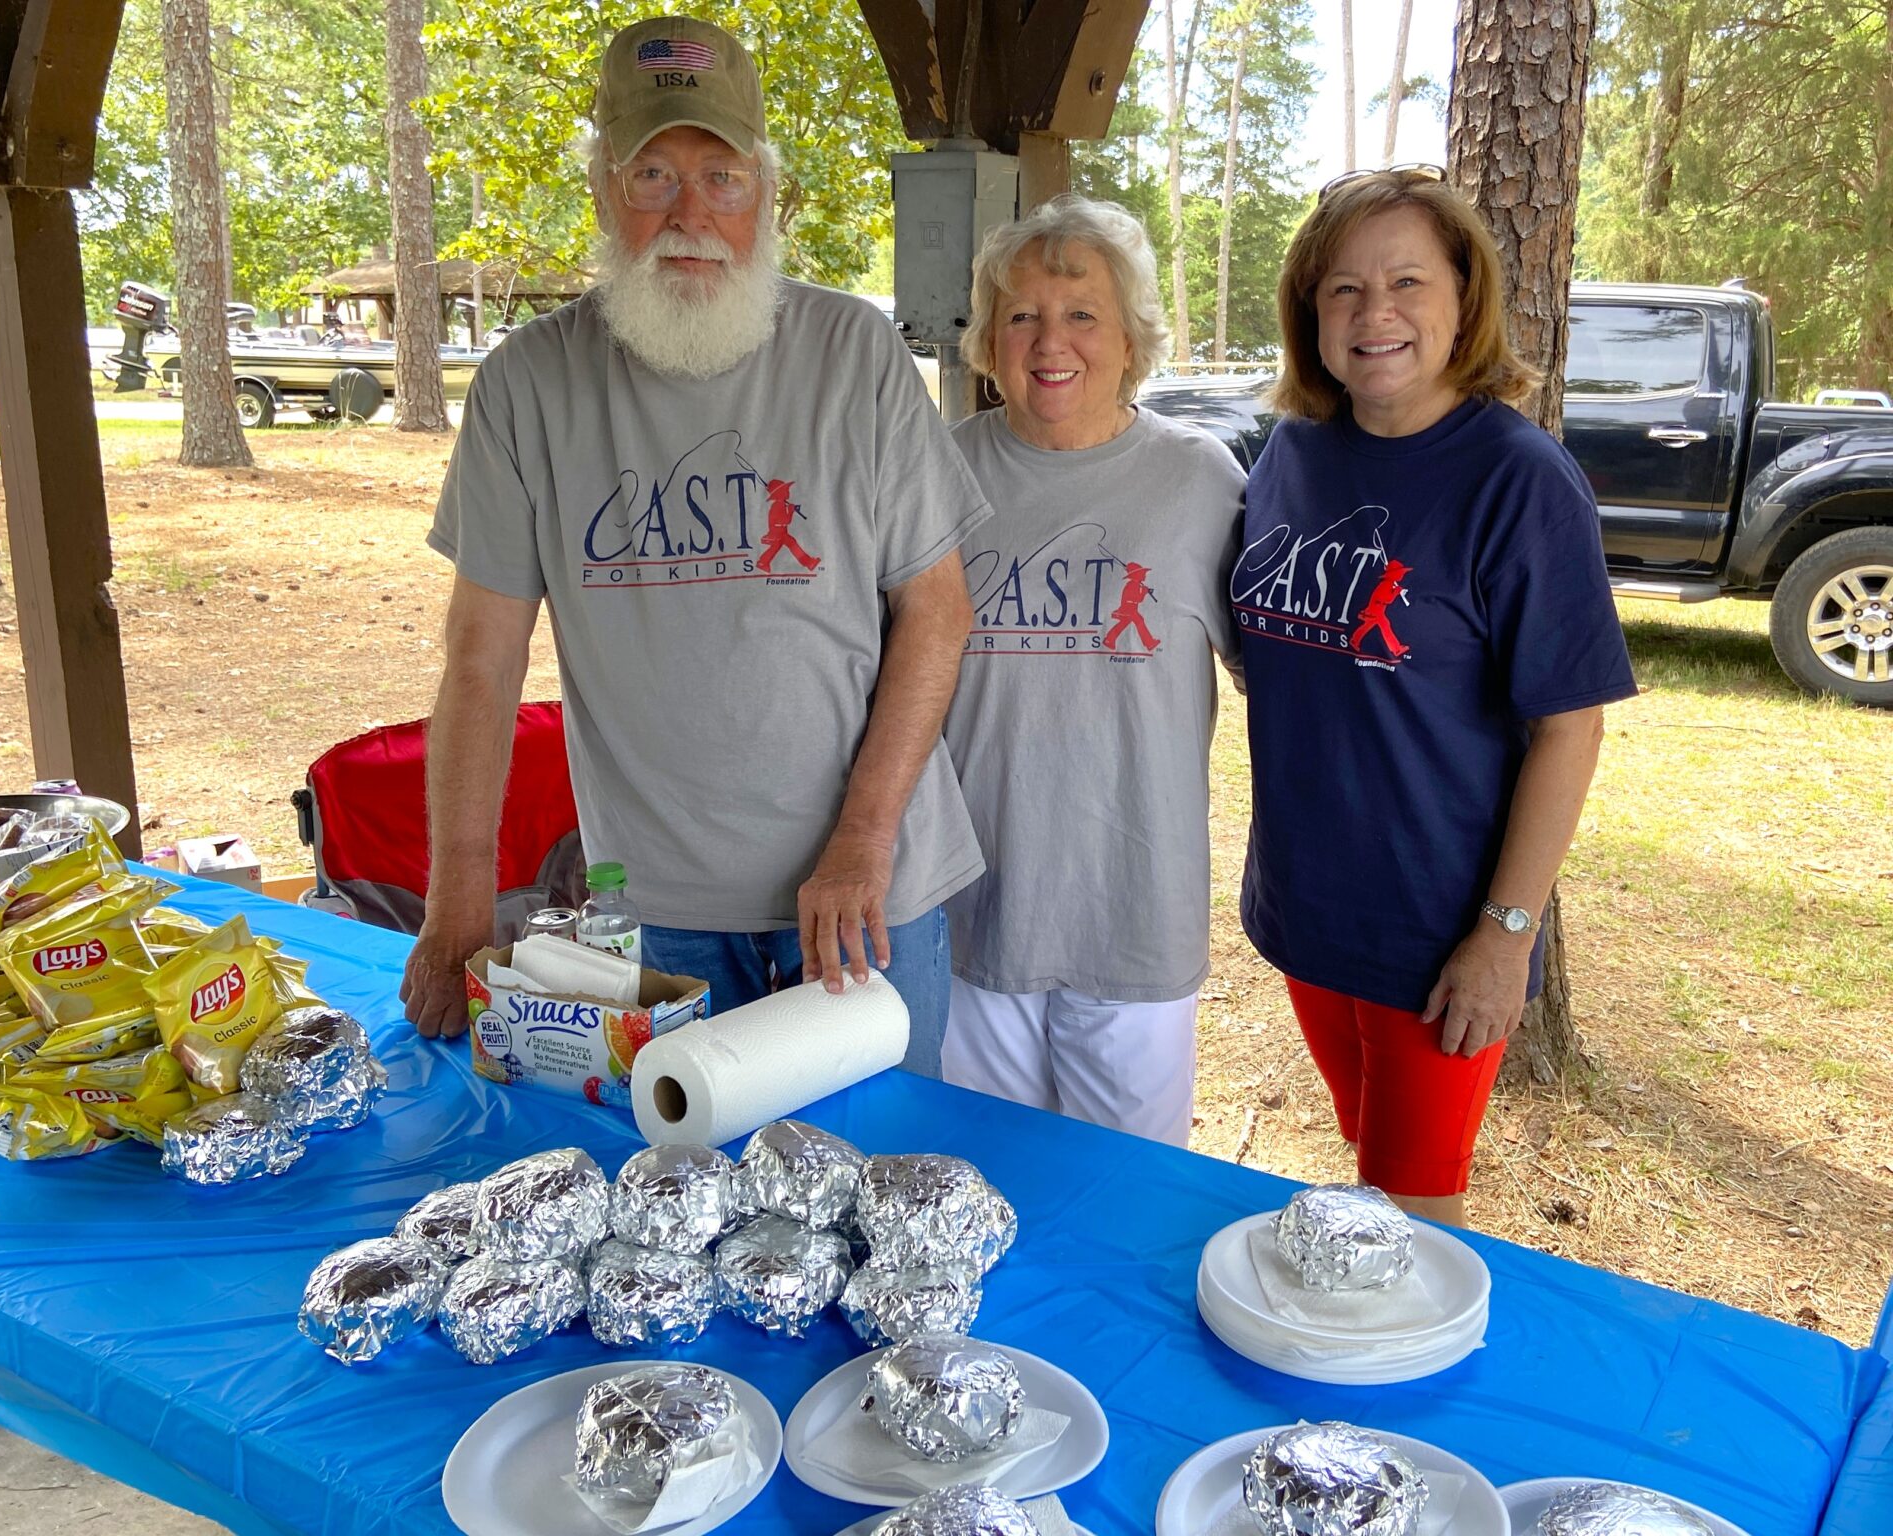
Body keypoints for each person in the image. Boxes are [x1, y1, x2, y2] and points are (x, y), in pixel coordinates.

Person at [401, 15, 990, 1074]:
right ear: (601, 190)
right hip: (660, 917)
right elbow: (480, 664)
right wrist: (455, 908)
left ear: (765, 193)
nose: (691, 214)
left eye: (721, 178)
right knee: (685, 1213)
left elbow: (936, 609)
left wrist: (860, 842)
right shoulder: (528, 386)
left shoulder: (851, 351)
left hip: (867, 900)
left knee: (890, 1203)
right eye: (653, 175)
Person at [1234, 167, 1636, 1223]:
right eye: (1342, 290)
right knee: (1367, 1166)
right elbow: (1272, 649)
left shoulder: (1518, 478)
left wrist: (1504, 936)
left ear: (1463, 300)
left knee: (1412, 1220)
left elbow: (1567, 725)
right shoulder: (1288, 453)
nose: (1375, 314)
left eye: (1407, 282)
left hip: (1433, 933)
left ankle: (1391, 1395)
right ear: (1307, 311)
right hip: (1305, 907)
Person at [936, 196, 1246, 1145]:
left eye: (1082, 314)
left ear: (1130, 339)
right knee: (976, 1192)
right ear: (987, 339)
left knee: (1125, 1206)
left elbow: (1290, 687)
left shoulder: (1204, 481)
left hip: (1132, 912)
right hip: (967, 916)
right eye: (1020, 314)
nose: (1048, 340)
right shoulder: (934, 474)